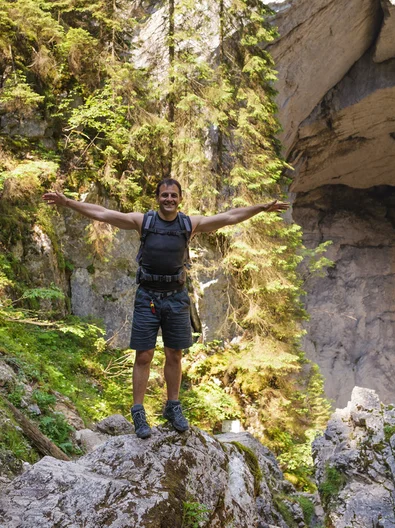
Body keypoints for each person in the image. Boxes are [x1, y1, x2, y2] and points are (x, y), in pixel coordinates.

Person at [43, 178, 289, 438]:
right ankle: (138, 411)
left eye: (173, 195)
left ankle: (173, 407)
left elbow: (229, 217)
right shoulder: (144, 222)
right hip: (147, 295)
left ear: (180, 198)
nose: (169, 199)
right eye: (164, 195)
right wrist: (67, 202)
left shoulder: (189, 224)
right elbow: (104, 214)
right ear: (157, 198)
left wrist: (261, 208)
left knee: (175, 354)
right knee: (144, 355)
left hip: (176, 296)